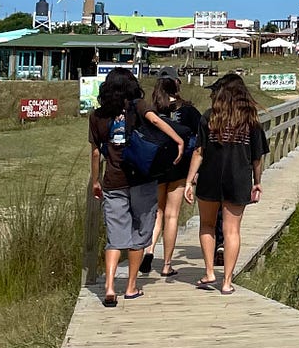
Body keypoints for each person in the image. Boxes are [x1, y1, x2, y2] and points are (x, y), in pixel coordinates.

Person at [89, 68, 183, 306]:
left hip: (113, 181)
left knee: (115, 237)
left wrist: (95, 180)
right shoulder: (138, 107)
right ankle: (131, 287)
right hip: (142, 178)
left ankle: (109, 287)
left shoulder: (97, 116)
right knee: (139, 234)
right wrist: (178, 140)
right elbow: (155, 120)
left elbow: (95, 152)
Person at [186, 72, 268, 296]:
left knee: (207, 225)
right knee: (232, 230)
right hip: (239, 177)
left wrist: (188, 180)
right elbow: (257, 158)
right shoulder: (251, 121)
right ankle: (227, 282)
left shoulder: (209, 117)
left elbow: (199, 151)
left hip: (210, 177)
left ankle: (210, 271)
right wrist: (257, 181)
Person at [147, 72, 202, 280]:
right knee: (172, 215)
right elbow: (199, 141)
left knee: (157, 213)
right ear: (176, 86)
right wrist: (194, 173)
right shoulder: (188, 111)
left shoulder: (152, 110)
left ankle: (150, 250)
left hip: (157, 167)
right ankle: (167, 264)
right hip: (180, 168)